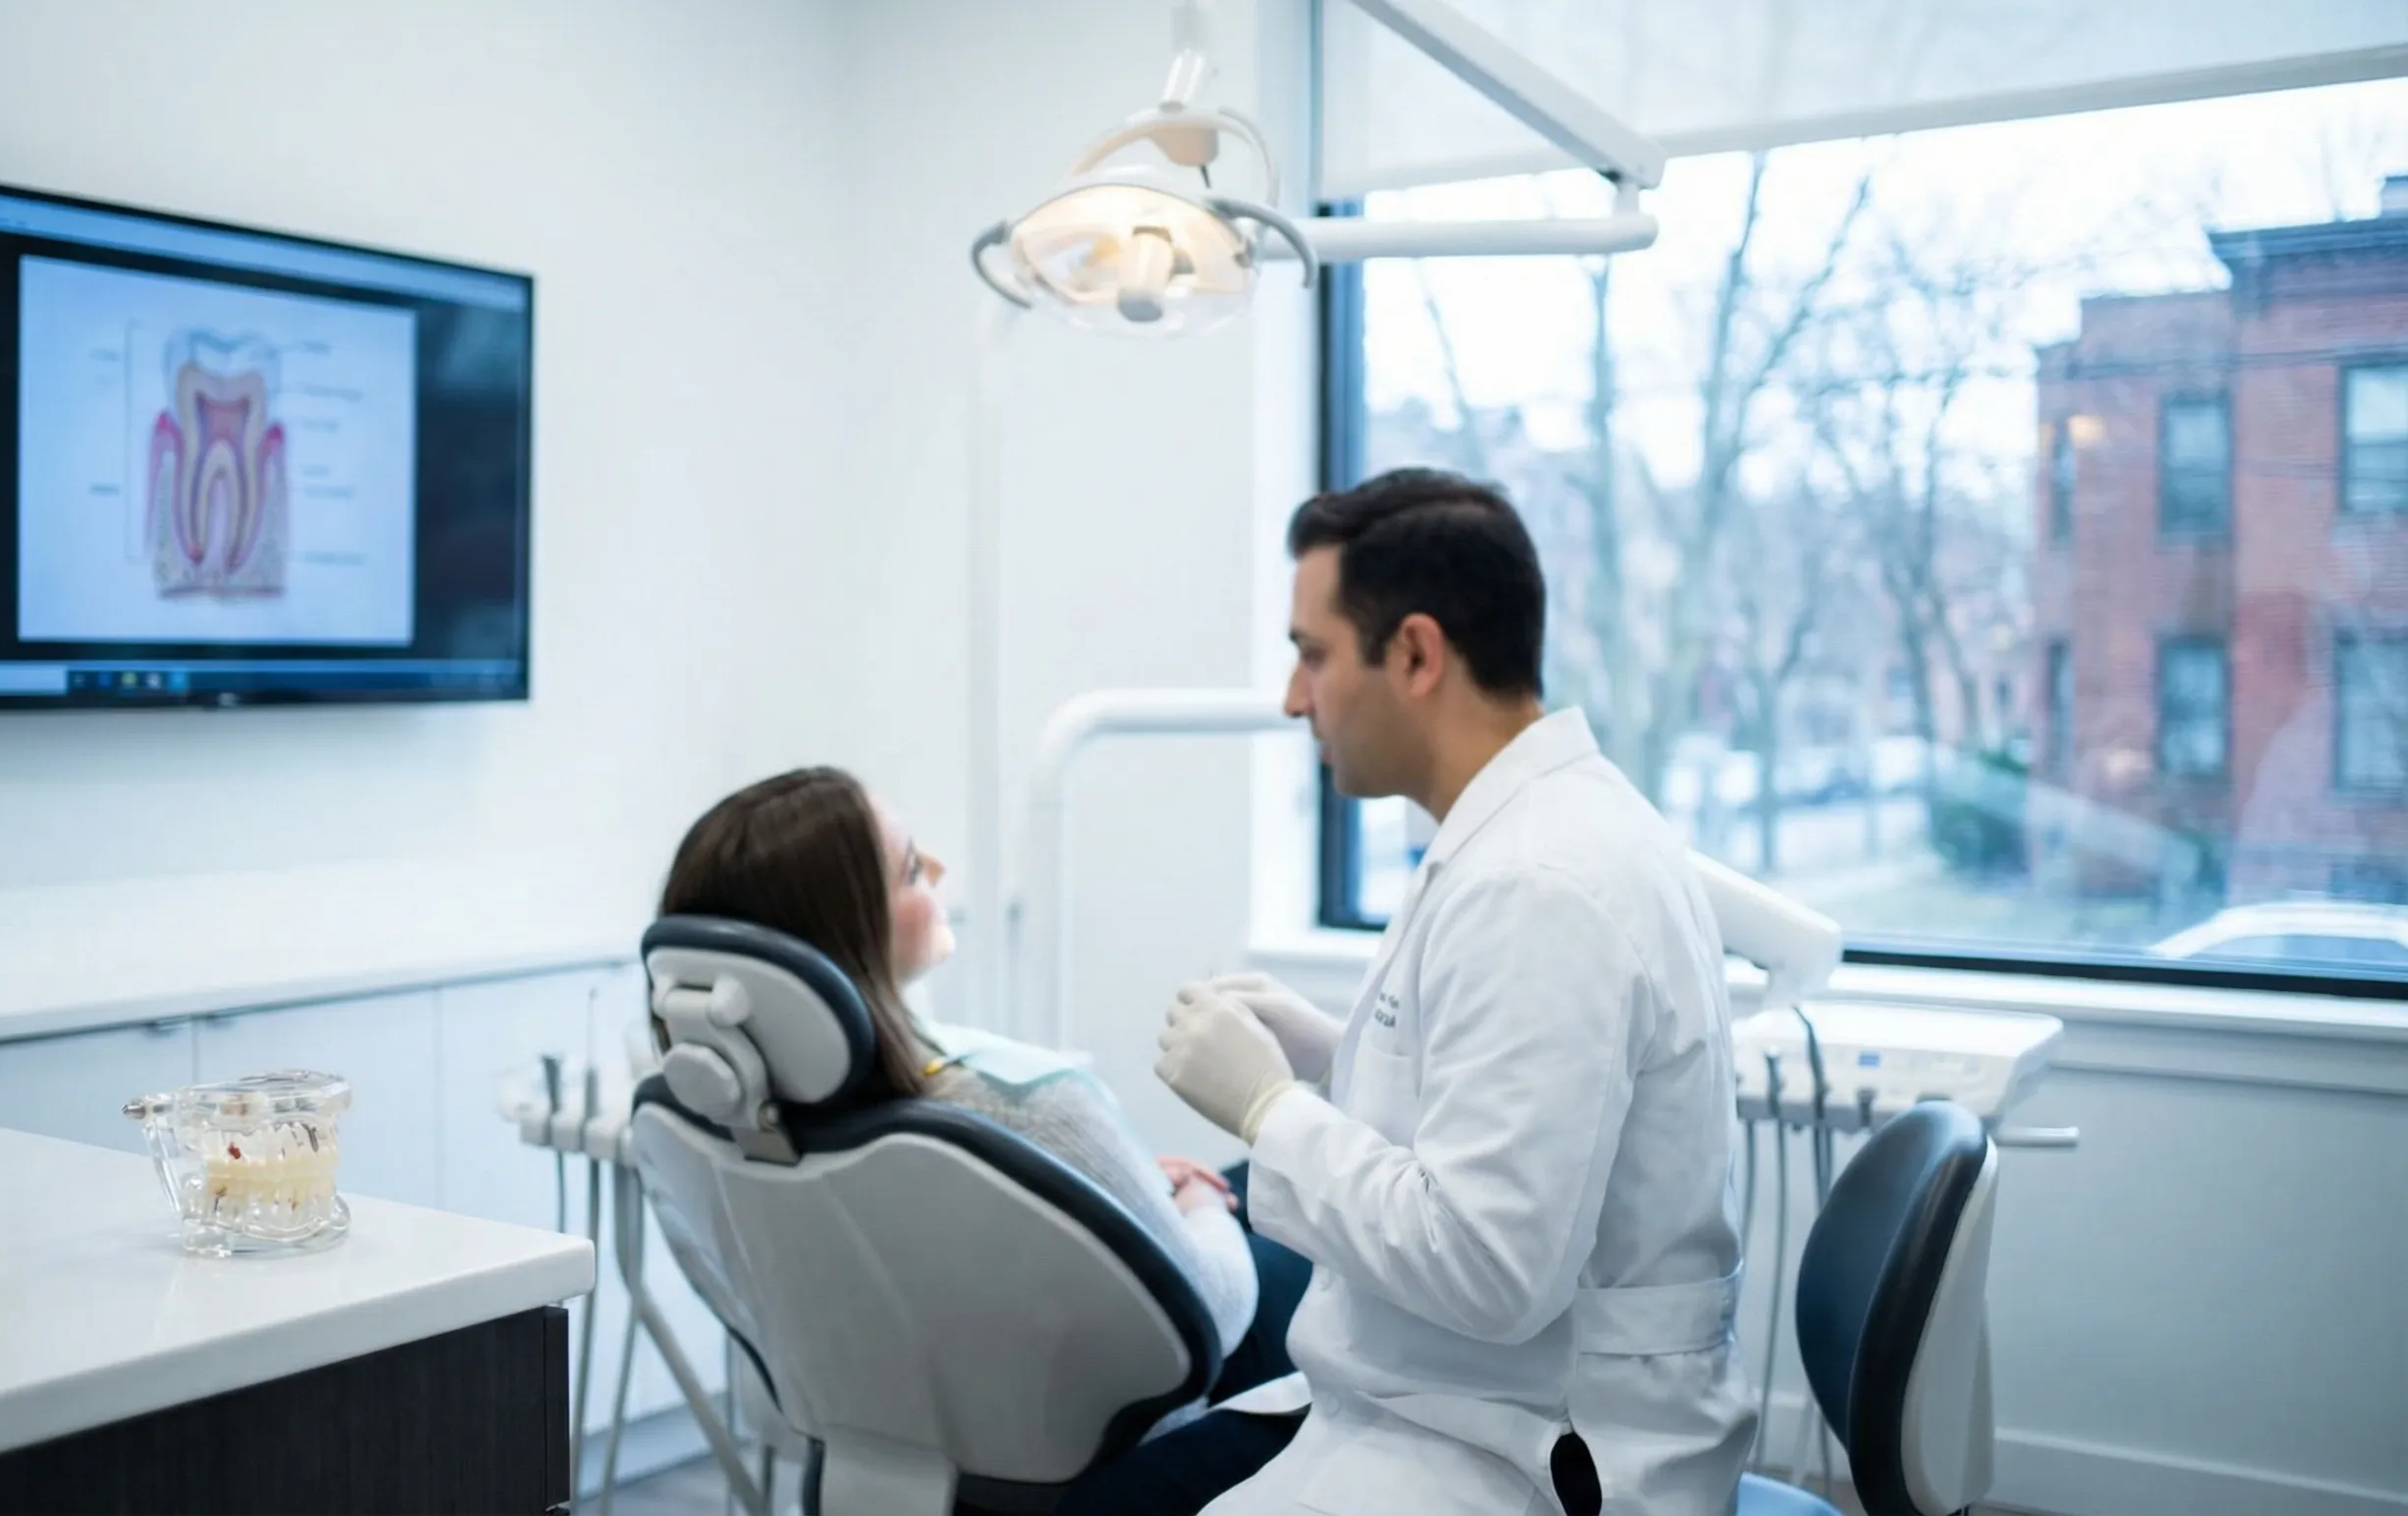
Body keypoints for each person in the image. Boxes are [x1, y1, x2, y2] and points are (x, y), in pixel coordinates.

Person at [1132, 468, 1756, 1515]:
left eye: (1312, 655)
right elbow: (1498, 1111)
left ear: (1415, 652)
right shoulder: (1526, 832)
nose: (1294, 699)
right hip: (1450, 1401)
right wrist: (1336, 1058)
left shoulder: (1538, 885)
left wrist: (1266, 1109)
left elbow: (1487, 1268)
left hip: (1535, 1450)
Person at [656, 767, 1312, 1410]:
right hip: (1164, 1386)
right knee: (1305, 1214)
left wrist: (1125, 1187)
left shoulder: (714, 1127)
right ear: (847, 932)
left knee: (1261, 1180)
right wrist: (1198, 1205)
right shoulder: (1026, 1108)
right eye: (912, 870)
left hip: (938, 1407)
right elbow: (1218, 1311)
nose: (938, 873)